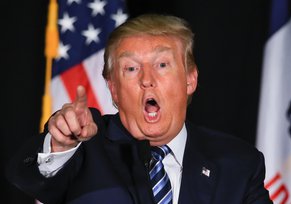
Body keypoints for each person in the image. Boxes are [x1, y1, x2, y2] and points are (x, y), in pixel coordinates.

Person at [6, 14, 273, 204]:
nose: (147, 79)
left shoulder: (238, 163)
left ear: (190, 79)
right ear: (113, 88)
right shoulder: (84, 147)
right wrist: (61, 145)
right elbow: (30, 179)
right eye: (131, 68)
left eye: (162, 65)